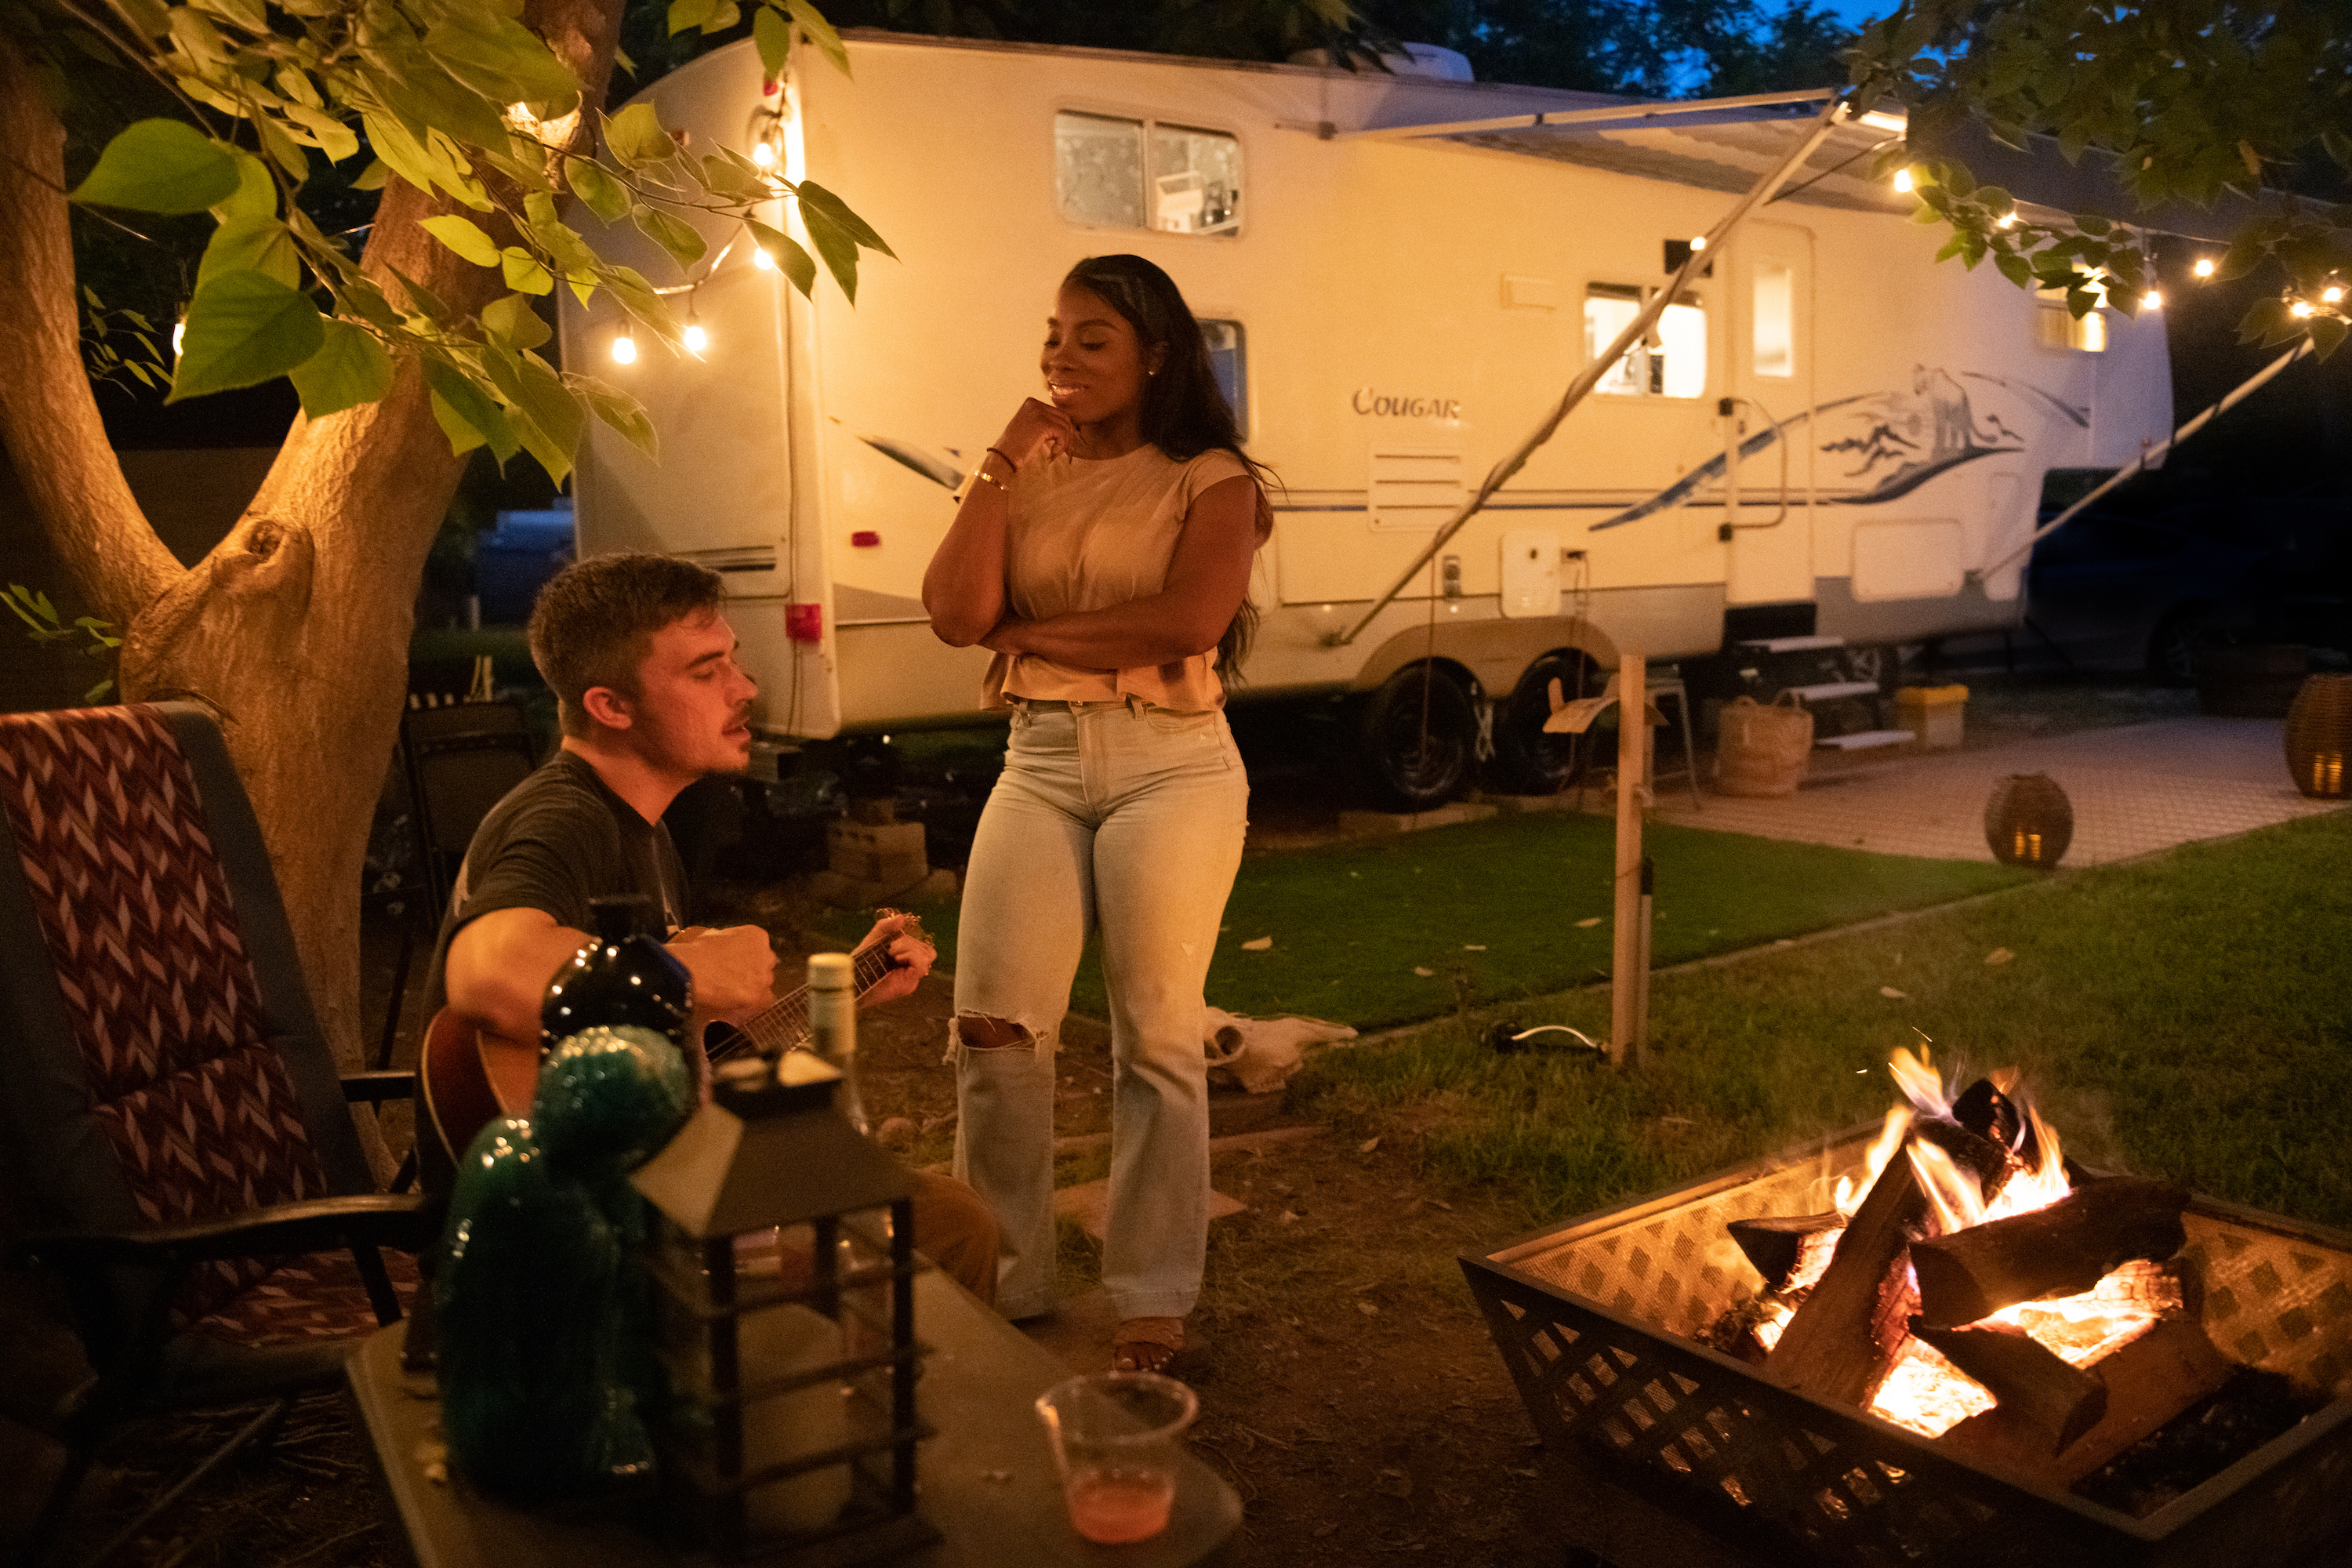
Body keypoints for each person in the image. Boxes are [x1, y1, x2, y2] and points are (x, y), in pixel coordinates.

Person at [427, 551, 1000, 1303]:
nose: (745, 689)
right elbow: (485, 971)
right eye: (706, 672)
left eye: (734, 661)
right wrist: (691, 971)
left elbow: (686, 1049)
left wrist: (843, 989)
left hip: (648, 1189)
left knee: (948, 1212)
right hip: (579, 1239)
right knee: (943, 1229)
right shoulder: (563, 817)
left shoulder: (647, 828)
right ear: (611, 706)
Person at [921, 253, 1269, 1371]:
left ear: (1155, 356)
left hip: (1173, 765)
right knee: (994, 1030)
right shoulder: (1026, 473)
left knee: (1156, 1036)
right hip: (1040, 759)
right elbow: (954, 611)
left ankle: (1153, 1297)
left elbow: (1181, 623)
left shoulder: (1213, 478)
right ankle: (1009, 1278)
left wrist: (1021, 638)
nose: (1060, 357)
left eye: (1092, 339)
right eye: (1055, 334)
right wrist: (1000, 458)